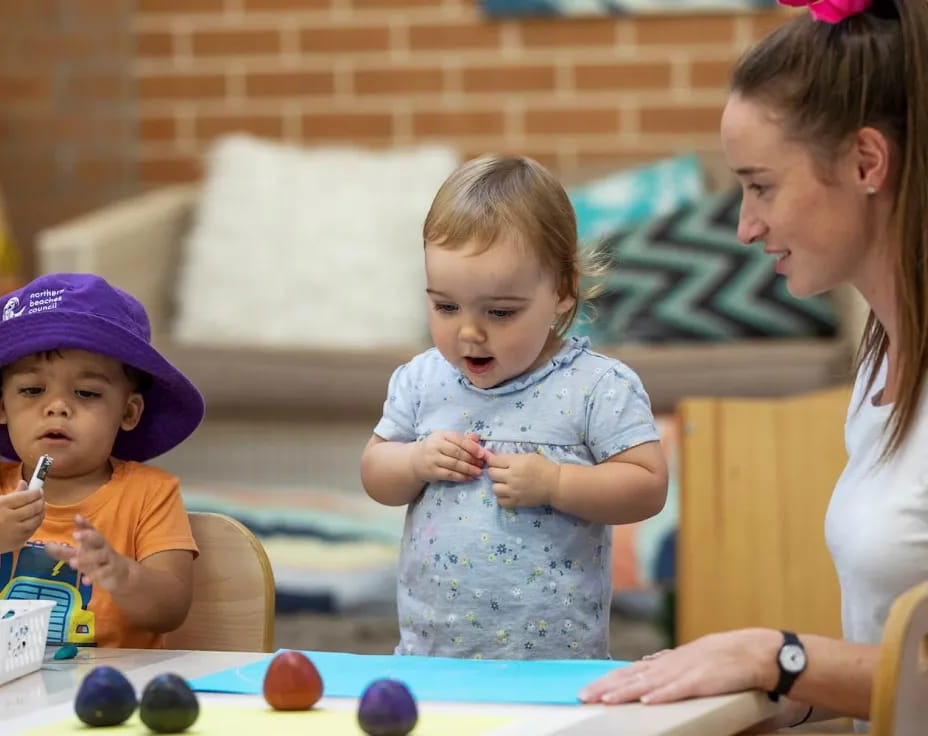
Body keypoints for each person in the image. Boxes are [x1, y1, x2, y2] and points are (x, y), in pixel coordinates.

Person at [578, 0, 928, 730]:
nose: (744, 225)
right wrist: (766, 694)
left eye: (761, 185)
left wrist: (780, 657)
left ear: (868, 162)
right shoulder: (881, 366)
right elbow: (892, 660)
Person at [360, 154, 669, 660]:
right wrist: (413, 461)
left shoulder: (598, 386)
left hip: (553, 660)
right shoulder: (421, 379)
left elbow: (646, 486)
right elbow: (375, 471)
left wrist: (557, 483)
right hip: (432, 657)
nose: (469, 332)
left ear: (563, 290)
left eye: (500, 312)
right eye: (445, 306)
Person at [0, 273, 205, 648]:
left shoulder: (150, 494)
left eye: (86, 393)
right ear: (2, 407)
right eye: (32, 390)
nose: (57, 407)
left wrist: (123, 575)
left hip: (110, 696)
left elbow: (171, 611)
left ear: (128, 412)